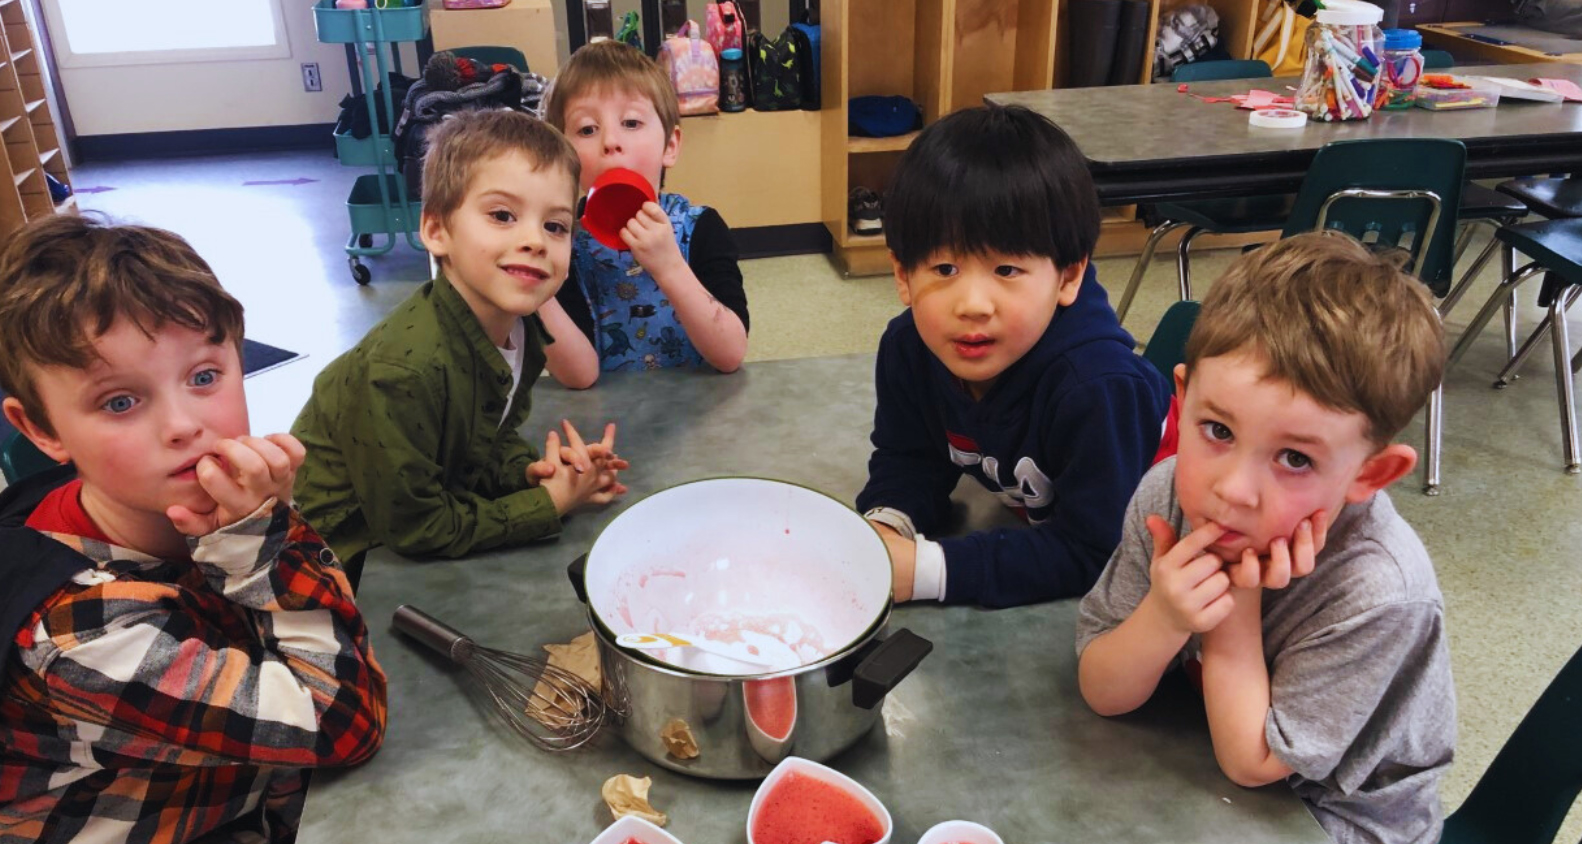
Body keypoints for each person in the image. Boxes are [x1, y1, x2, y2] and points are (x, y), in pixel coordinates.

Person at [0, 215, 386, 843]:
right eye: (119, 402)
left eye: (204, 376)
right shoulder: (78, 634)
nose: (183, 424)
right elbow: (344, 723)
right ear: (41, 429)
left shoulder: (159, 502)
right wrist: (266, 541)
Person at [1076, 233, 1454, 844]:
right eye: (1218, 430)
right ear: (1182, 401)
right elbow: (1102, 690)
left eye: (1295, 459)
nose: (1233, 490)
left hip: (1337, 819)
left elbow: (1252, 763)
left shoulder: (1377, 589)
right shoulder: (1169, 494)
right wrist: (1164, 616)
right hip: (1196, 755)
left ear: (1370, 474)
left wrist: (1235, 597)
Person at [855, 104, 1177, 608]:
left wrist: (926, 570)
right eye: (944, 269)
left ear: (1068, 276)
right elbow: (911, 458)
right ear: (903, 275)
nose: (973, 305)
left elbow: (1096, 552)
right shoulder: (910, 349)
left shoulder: (1098, 386)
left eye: (1006, 270)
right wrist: (888, 524)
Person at [292, 110, 627, 579]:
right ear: (436, 231)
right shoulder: (403, 371)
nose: (535, 240)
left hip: (411, 535)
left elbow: (483, 441)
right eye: (502, 216)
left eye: (555, 226)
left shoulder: (523, 330)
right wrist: (548, 503)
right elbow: (417, 528)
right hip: (341, 565)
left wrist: (531, 473)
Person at [540, 40, 749, 385]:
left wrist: (669, 266)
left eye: (631, 122)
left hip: (700, 408)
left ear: (670, 145)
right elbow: (578, 377)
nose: (610, 141)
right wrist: (538, 294)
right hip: (608, 413)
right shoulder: (562, 242)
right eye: (587, 129)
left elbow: (730, 354)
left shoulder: (701, 227)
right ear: (564, 156)